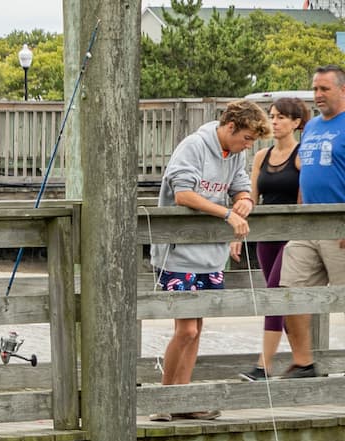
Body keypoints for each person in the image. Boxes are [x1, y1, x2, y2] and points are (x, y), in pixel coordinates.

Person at [148, 100, 264, 422]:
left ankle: (184, 397)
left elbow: (241, 186)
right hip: (178, 253)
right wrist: (227, 214)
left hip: (211, 256)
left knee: (197, 329)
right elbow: (183, 194)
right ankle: (163, 398)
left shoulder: (235, 154)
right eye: (247, 138)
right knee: (184, 329)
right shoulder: (194, 146)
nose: (249, 145)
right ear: (231, 127)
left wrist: (244, 202)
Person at [278, 65, 345, 380]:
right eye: (315, 89)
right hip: (308, 223)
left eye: (324, 89)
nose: (317, 95)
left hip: (338, 224)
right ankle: (304, 363)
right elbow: (307, 172)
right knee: (290, 290)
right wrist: (300, 212)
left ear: (342, 89)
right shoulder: (313, 126)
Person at [240, 97, 307, 381]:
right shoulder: (260, 157)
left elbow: (304, 200)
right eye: (272, 116)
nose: (275, 122)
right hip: (265, 238)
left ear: (296, 123)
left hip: (290, 238)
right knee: (280, 300)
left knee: (274, 297)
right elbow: (252, 198)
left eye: (281, 117)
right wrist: (238, 231)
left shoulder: (302, 155)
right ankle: (303, 363)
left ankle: (262, 366)